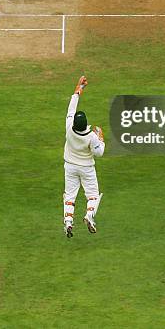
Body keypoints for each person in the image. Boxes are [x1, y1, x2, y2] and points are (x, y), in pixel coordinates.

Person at [63, 76, 105, 238]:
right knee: (93, 195)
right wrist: (100, 137)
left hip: (70, 166)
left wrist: (79, 88)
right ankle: (89, 216)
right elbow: (99, 152)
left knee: (70, 195)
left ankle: (68, 221)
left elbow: (71, 108)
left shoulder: (68, 127)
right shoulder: (91, 137)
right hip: (86, 168)